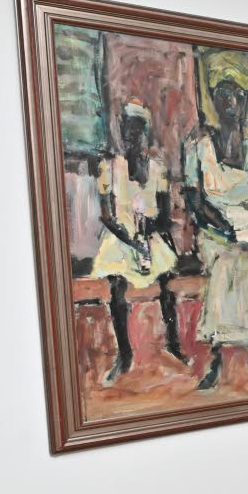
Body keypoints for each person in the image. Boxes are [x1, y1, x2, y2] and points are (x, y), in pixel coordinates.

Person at [181, 63, 248, 390]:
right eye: (223, 95)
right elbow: (195, 203)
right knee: (229, 260)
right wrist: (226, 231)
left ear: (246, 101)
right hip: (215, 229)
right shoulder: (199, 147)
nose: (230, 103)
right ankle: (216, 354)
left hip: (246, 224)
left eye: (237, 96)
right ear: (214, 100)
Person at [90, 98, 189, 384]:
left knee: (167, 281)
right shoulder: (109, 168)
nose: (132, 136)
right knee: (117, 287)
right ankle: (124, 354)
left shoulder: (157, 170)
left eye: (137, 130)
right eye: (127, 130)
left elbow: (165, 214)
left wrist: (151, 231)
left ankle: (172, 341)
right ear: (122, 132)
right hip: (121, 238)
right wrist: (130, 239)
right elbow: (107, 216)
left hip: (148, 236)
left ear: (145, 133)